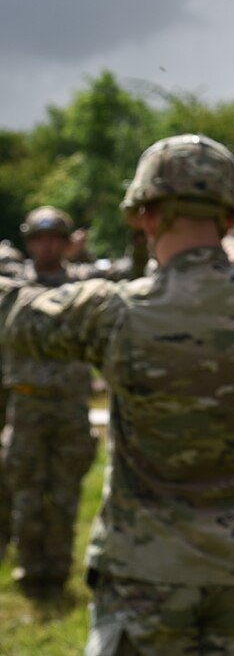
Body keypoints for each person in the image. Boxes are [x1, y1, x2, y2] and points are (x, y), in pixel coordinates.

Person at [0, 134, 234, 654]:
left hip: (143, 573)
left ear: (145, 216)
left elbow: (14, 314)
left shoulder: (114, 313)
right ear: (229, 218)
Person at [1, 206, 99, 599]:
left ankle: (57, 571)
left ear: (66, 242)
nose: (47, 246)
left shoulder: (84, 284)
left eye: (55, 238)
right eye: (39, 239)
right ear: (29, 243)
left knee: (64, 494)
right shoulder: (14, 284)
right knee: (26, 492)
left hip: (70, 408)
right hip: (26, 406)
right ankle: (30, 571)